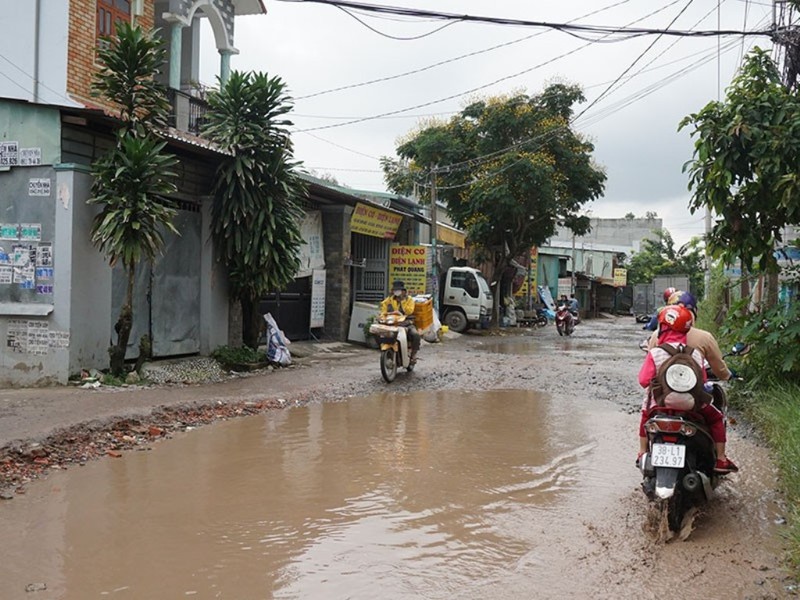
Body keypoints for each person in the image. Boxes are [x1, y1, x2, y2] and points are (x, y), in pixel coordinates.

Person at [638, 304, 738, 473]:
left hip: (660, 405)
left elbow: (643, 381)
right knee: (716, 418)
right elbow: (702, 381)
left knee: (645, 418)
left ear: (662, 327)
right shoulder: (695, 353)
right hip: (691, 406)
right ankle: (720, 459)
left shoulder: (655, 352)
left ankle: (642, 453)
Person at [647, 291, 733, 381]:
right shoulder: (705, 337)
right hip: (695, 387)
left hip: (664, 387)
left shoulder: (656, 335)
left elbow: (649, 368)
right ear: (694, 311)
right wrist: (727, 376)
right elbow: (718, 367)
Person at [379, 280, 421, 363]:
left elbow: (409, 311)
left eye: (398, 290)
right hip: (393, 323)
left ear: (403, 291)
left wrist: (401, 302)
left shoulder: (409, 300)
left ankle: (413, 354)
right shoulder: (390, 300)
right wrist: (382, 315)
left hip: (406, 323)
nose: (397, 292)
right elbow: (383, 307)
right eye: (395, 290)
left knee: (415, 335)